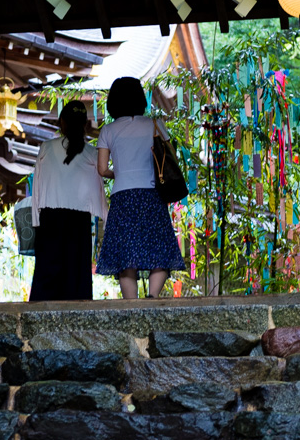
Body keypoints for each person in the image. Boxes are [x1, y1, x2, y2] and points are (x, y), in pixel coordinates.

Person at [95, 75, 184, 299]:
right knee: (160, 248)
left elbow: (102, 169)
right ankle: (153, 297)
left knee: (126, 255)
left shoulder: (108, 130)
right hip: (152, 194)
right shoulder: (155, 124)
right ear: (140, 99)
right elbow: (167, 157)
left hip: (123, 198)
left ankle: (131, 305)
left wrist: (122, 172)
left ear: (113, 102)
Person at [29, 100, 107, 302]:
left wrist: (36, 220)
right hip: (78, 219)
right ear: (83, 124)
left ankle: (40, 322)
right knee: (76, 275)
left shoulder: (46, 148)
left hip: (50, 218)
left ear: (62, 122)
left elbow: (36, 187)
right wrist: (104, 216)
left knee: (47, 274)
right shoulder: (91, 153)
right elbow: (98, 189)